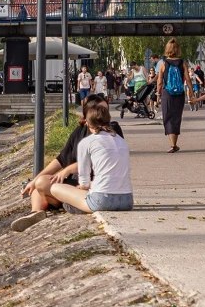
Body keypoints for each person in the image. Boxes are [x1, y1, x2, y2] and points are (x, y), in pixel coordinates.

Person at [13, 93, 124, 232]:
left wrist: (67, 171)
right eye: (99, 111)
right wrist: (34, 180)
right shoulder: (79, 132)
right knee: (38, 183)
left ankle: (64, 202)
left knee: (42, 183)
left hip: (92, 185)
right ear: (87, 116)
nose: (103, 116)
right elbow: (61, 159)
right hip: (76, 183)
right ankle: (35, 213)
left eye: (105, 111)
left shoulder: (112, 130)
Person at [47, 98, 134, 216]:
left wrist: (80, 189)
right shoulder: (120, 141)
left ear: (88, 123)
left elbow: (84, 179)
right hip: (127, 200)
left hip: (102, 201)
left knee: (55, 188)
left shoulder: (87, 142)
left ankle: (74, 207)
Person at [157, 38, 193, 152]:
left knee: (168, 117)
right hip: (180, 93)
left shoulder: (163, 64)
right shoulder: (183, 63)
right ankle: (174, 144)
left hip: (167, 93)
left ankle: (172, 145)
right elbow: (187, 79)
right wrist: (191, 93)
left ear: (167, 49)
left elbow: (159, 81)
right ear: (178, 49)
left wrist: (158, 94)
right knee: (176, 117)